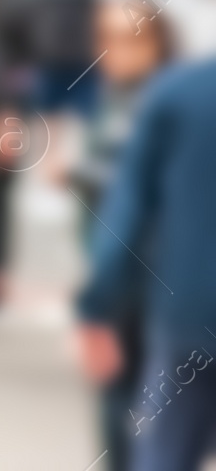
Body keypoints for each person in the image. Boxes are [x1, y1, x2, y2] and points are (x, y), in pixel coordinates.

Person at [76, 43, 216, 471]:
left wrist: (98, 305)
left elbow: (128, 211)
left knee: (164, 451)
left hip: (191, 311)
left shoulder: (179, 92)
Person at [72, 2, 171, 471]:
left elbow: (130, 187)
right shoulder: (112, 96)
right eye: (107, 39)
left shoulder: (159, 103)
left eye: (131, 39)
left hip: (142, 267)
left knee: (130, 392)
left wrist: (95, 301)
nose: (117, 52)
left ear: (158, 43)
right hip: (115, 260)